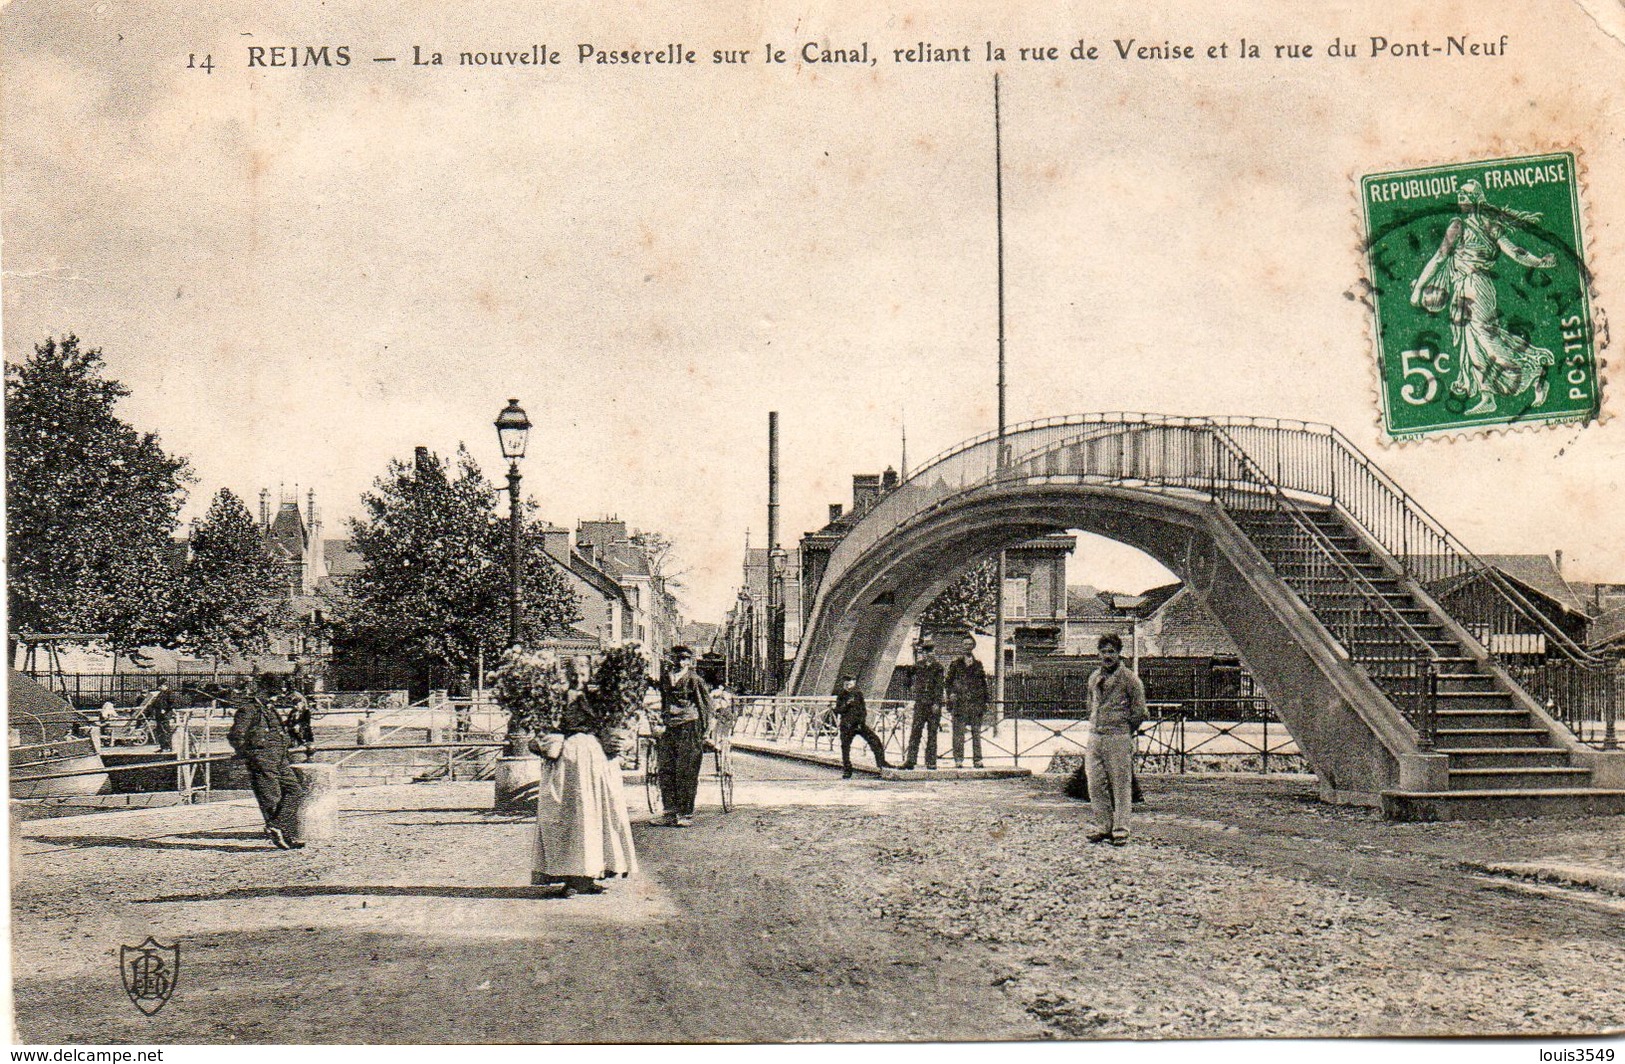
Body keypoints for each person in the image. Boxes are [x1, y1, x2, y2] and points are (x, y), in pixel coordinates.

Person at [1410, 180, 1558, 416]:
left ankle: (1534, 371)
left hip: (1476, 286)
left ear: (1478, 199)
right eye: (1459, 193)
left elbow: (1514, 251)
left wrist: (1538, 262)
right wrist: (1420, 287)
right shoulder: (1460, 225)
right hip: (1464, 287)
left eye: (1467, 194)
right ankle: (1487, 396)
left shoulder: (1482, 226)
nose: (1461, 197)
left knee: (1485, 337)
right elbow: (1441, 257)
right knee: (1473, 341)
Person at [532, 659, 639, 896]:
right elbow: (545, 726)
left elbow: (615, 723)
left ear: (589, 673)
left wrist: (621, 738)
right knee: (569, 816)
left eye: (582, 672)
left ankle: (591, 875)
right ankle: (571, 877)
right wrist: (542, 739)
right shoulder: (556, 698)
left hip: (596, 757)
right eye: (573, 672)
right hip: (566, 760)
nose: (578, 677)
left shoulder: (600, 698)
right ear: (565, 673)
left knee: (598, 816)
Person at [1084, 632, 1147, 846]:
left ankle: (1121, 830)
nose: (1107, 656)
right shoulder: (1094, 677)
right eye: (1103, 651)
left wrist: (1125, 730)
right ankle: (1104, 827)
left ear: (1119, 653)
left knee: (1120, 784)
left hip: (1118, 736)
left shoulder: (1130, 679)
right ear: (1098, 654)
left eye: (1111, 651)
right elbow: (1089, 704)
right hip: (1095, 736)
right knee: (1094, 783)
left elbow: (1140, 711)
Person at [227, 682, 305, 850]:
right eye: (271, 694)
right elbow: (236, 735)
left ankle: (276, 825)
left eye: (276, 694)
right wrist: (251, 755)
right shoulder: (248, 710)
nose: (275, 698)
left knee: (295, 791)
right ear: (261, 691)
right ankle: (285, 835)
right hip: (263, 759)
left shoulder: (270, 710)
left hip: (280, 759)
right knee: (272, 798)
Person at [654, 645, 712, 827]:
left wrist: (705, 731)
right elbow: (664, 701)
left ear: (689, 661)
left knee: (686, 770)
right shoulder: (666, 678)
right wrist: (662, 718)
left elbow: (705, 706)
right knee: (666, 768)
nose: (680, 662)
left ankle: (685, 813)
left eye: (684, 658)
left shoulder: (695, 680)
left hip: (690, 725)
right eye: (677, 658)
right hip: (669, 726)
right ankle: (669, 811)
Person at [944, 635, 988, 768]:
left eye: (970, 644)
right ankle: (958, 759)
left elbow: (983, 684)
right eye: (965, 644)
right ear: (962, 646)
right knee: (958, 733)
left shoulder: (978, 664)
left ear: (973, 646)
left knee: (976, 733)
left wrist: (985, 701)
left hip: (975, 703)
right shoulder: (956, 664)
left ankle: (978, 760)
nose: (967, 646)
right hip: (960, 703)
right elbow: (948, 682)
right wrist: (951, 694)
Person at [833, 675, 889, 778]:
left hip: (859, 724)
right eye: (846, 684)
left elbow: (863, 710)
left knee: (875, 741)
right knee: (845, 748)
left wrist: (861, 721)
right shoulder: (841, 695)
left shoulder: (858, 694)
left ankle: (881, 763)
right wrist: (846, 705)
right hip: (847, 726)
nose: (847, 686)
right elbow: (838, 710)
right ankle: (847, 769)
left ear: (853, 684)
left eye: (850, 684)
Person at [902, 637, 944, 770]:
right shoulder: (918, 666)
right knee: (916, 731)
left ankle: (931, 761)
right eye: (925, 651)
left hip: (933, 705)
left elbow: (939, 686)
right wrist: (909, 680)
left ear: (934, 652)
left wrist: (937, 703)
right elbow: (907, 679)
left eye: (930, 651)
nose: (927, 654)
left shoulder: (938, 668)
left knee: (932, 733)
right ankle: (911, 760)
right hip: (920, 703)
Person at [282, 689, 315, 762]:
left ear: (302, 704)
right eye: (294, 705)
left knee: (307, 743)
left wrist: (298, 725)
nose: (296, 706)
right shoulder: (293, 712)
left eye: (297, 705)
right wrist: (284, 724)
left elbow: (306, 722)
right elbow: (288, 721)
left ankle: (309, 757)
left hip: (303, 730)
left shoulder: (306, 712)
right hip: (293, 730)